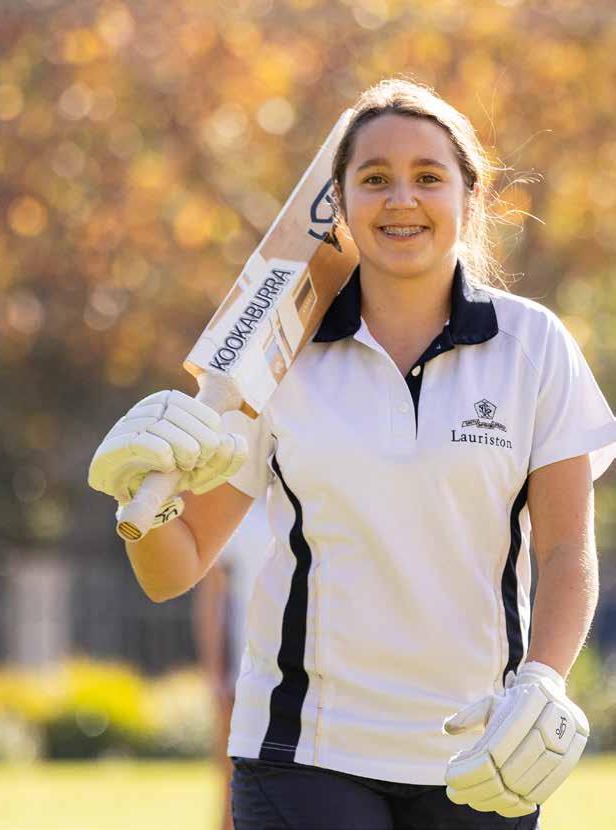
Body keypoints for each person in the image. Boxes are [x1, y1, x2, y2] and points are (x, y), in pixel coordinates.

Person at [88, 78, 616, 829]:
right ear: (337, 200)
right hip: (302, 751)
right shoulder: (276, 357)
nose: (401, 199)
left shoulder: (533, 346)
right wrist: (142, 505)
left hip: (482, 749)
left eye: (427, 177)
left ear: (470, 198)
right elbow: (176, 566)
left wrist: (542, 681)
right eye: (374, 179)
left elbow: (566, 551)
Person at [193, 501, 273, 830]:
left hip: (312, 678)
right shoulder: (239, 508)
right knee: (233, 792)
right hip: (245, 676)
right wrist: (214, 675)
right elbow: (213, 597)